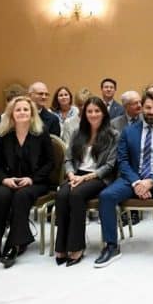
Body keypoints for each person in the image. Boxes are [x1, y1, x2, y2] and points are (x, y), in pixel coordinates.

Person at [96, 90, 153, 268]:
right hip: (132, 178)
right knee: (106, 196)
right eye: (148, 107)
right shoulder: (128, 131)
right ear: (141, 107)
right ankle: (112, 246)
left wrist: (151, 181)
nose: (151, 112)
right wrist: (136, 182)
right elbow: (123, 160)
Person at [0, 96, 54, 269]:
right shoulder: (4, 135)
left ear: (31, 113)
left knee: (21, 197)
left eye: (25, 109)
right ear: (11, 113)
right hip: (10, 180)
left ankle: (13, 246)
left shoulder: (41, 132)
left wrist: (32, 179)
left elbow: (50, 163)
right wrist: (4, 179)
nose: (22, 112)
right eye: (18, 110)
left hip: (36, 182)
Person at [55, 96, 117, 266]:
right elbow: (68, 159)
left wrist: (85, 178)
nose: (93, 114)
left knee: (76, 194)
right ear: (84, 114)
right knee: (61, 195)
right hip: (76, 175)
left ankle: (77, 247)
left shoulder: (113, 135)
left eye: (97, 111)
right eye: (89, 111)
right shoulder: (77, 133)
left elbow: (110, 165)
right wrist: (71, 175)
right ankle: (61, 246)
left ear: (104, 113)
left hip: (99, 177)